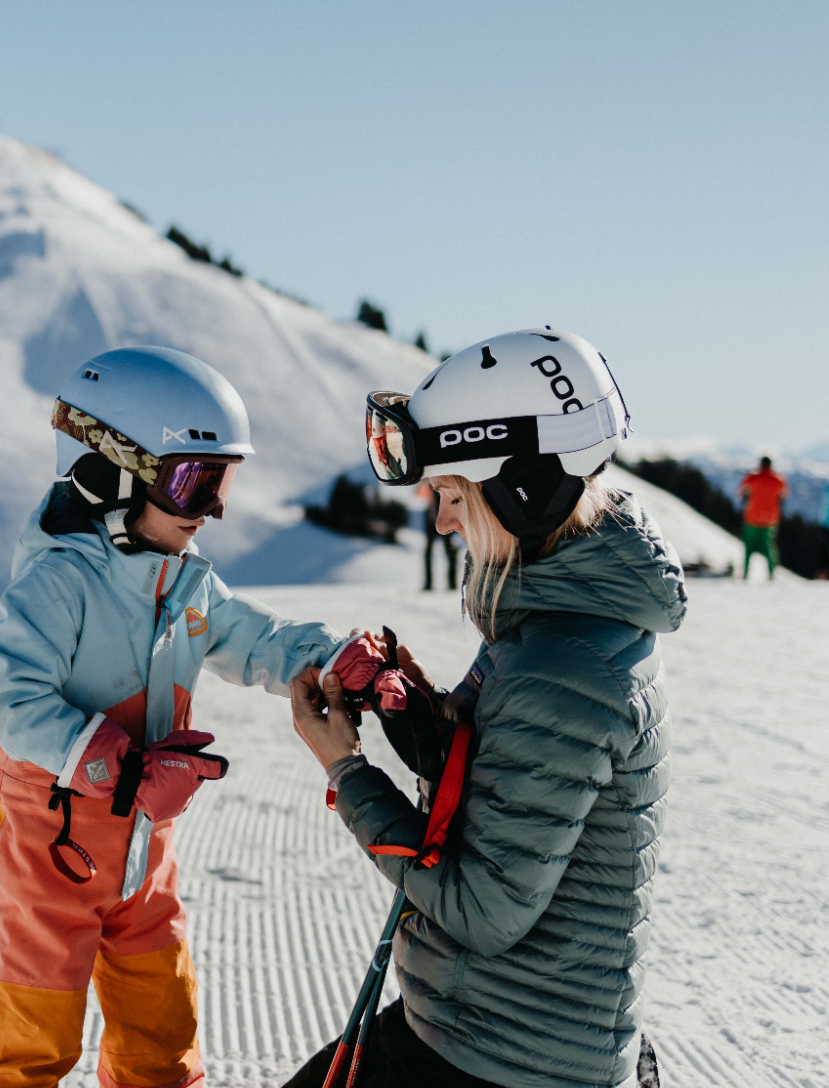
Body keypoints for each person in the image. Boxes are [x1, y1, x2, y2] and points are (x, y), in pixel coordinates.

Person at [0, 347, 395, 1088]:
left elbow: (257, 639)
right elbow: (11, 700)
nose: (213, 511)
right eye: (196, 484)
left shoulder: (182, 577)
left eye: (222, 484)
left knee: (161, 1034)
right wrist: (125, 766)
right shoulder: (58, 581)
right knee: (31, 1039)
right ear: (108, 470)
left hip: (142, 858)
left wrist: (333, 660)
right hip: (50, 853)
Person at [287, 328, 682, 1088]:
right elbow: (504, 779)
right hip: (491, 1024)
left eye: (453, 496)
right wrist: (418, 713)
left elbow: (481, 907)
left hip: (504, 1057)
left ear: (523, 494)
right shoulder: (556, 619)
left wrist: (346, 768)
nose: (439, 521)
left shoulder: (560, 662)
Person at [737, 456, 787, 580]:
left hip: (751, 518)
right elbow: (784, 495)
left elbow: (740, 492)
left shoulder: (752, 478)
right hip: (770, 519)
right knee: (769, 547)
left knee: (748, 547)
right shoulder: (778, 480)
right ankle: (771, 573)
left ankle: (746, 573)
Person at [417, 480, 457, 591]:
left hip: (443, 516)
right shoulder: (428, 483)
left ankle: (451, 583)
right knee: (432, 551)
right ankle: (429, 584)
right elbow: (418, 494)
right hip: (431, 518)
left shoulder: (443, 482)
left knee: (448, 550)